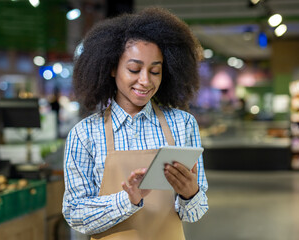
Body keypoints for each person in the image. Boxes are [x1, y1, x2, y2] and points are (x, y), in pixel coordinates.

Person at [62, 7, 208, 240]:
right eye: (134, 69)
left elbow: (195, 213)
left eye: (155, 71)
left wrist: (191, 194)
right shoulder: (85, 134)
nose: (145, 81)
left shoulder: (183, 125)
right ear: (111, 68)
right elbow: (75, 214)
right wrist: (127, 200)